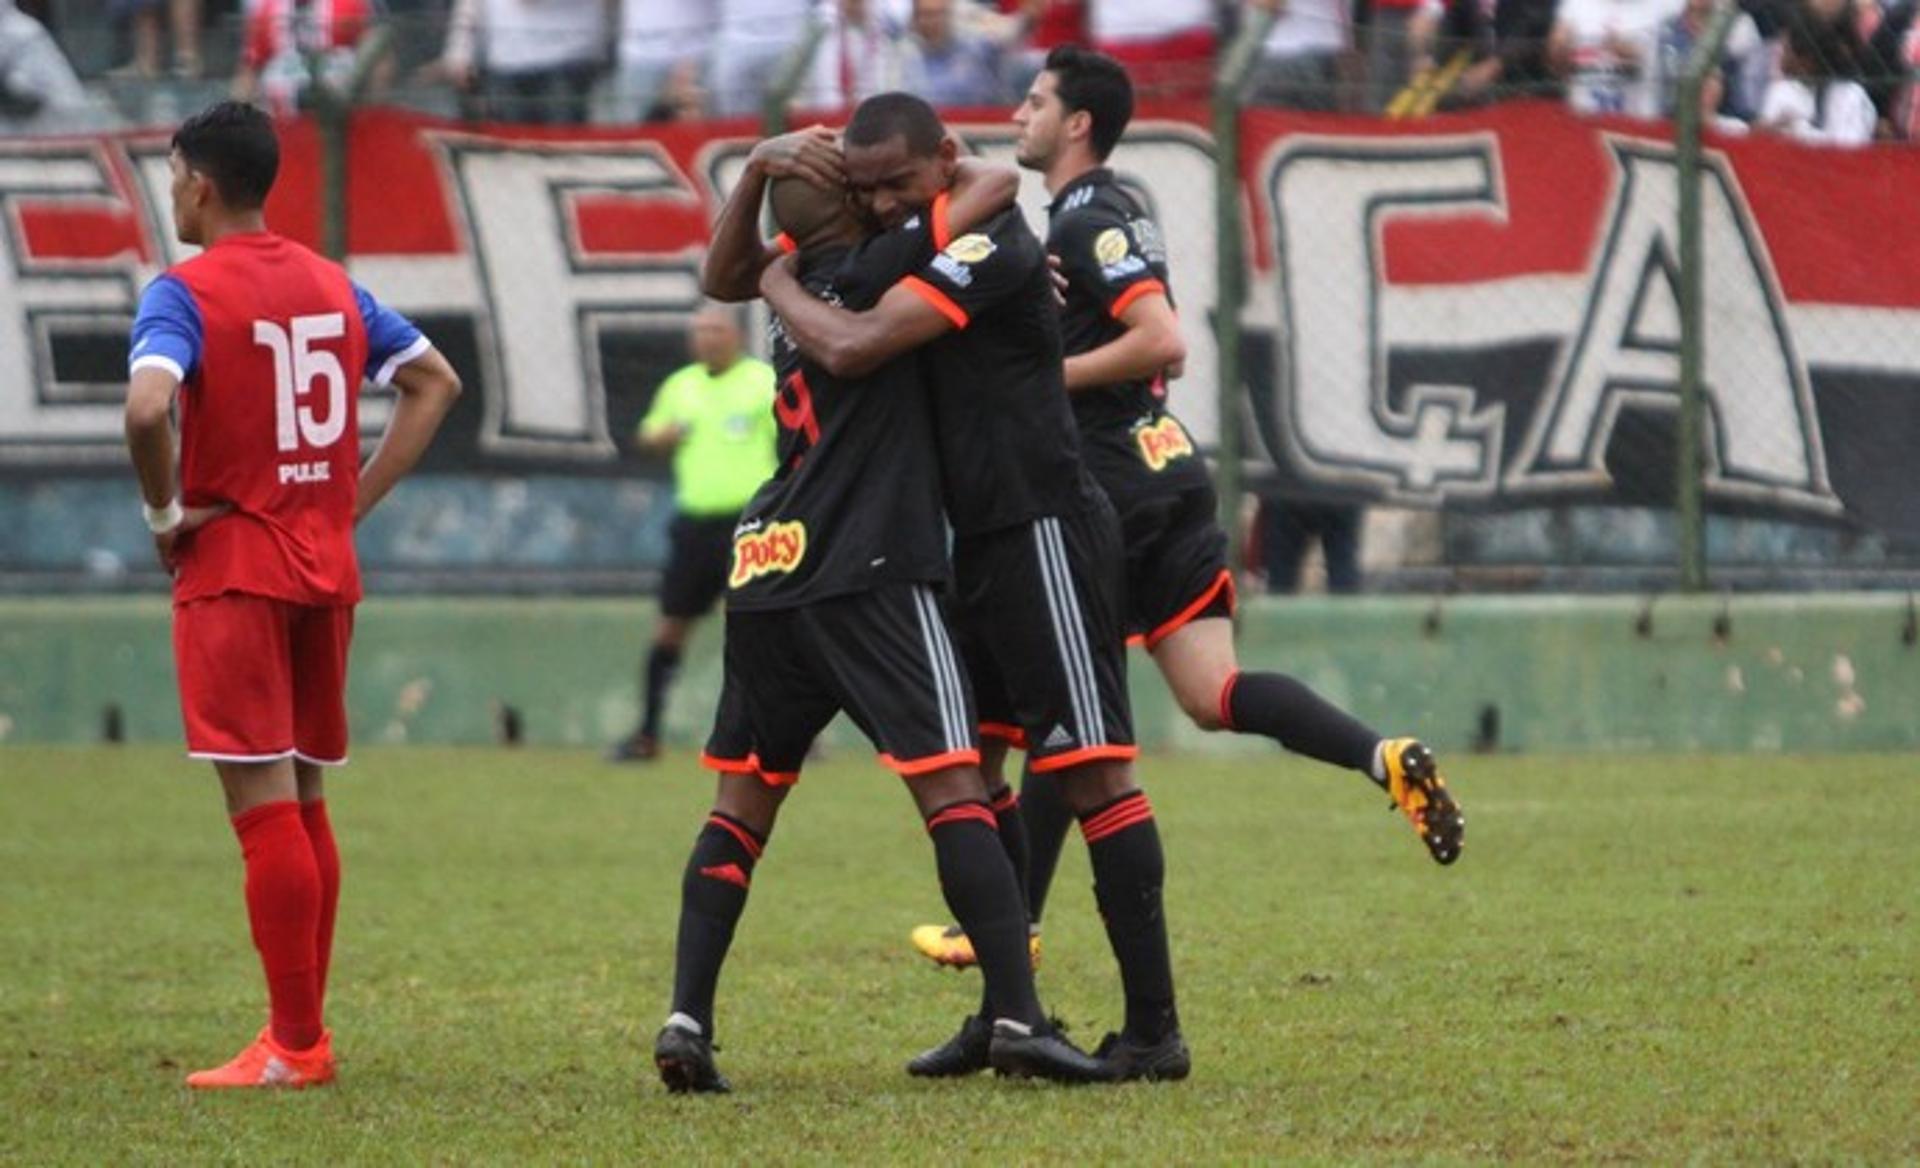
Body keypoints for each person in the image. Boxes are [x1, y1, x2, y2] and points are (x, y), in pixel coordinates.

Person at [906, 43, 1463, 984]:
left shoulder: (1088, 217)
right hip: (1166, 473)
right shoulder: (1105, 214)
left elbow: (1161, 340)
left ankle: (1011, 928)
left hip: (1107, 488)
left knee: (1062, 704)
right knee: (1214, 696)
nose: (1019, 117)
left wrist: (1039, 383)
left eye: (1035, 104)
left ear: (1078, 124)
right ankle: (1384, 757)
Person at [753, 92, 1188, 1082]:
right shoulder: (918, 230)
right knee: (982, 773)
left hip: (1041, 523)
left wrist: (777, 284)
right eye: (862, 191)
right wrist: (774, 207)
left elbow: (854, 341)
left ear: (944, 159)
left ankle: (1156, 1031)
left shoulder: (990, 242)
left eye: (897, 184)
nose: (878, 205)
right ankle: (1006, 1012)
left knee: (1093, 770)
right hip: (973, 544)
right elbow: (786, 264)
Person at [653, 167, 1109, 1094]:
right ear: (858, 210)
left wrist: (761, 171)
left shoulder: (786, 284)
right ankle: (1018, 1018)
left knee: (739, 811)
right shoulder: (878, 266)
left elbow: (726, 268)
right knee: (958, 793)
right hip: (869, 568)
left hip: (766, 564)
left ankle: (686, 1018)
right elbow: (990, 184)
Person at [123, 102, 461, 1089]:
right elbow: (434, 380)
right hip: (322, 566)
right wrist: (348, 501)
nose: (171, 189)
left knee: (261, 805)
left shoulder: (181, 293)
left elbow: (148, 405)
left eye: (174, 172)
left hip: (234, 565)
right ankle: (300, 1034)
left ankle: (296, 1043)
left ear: (201, 185)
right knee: (306, 796)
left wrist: (161, 515)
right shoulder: (329, 283)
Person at [609, 309, 778, 763]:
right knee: (670, 629)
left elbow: (792, 440)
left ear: (737, 337)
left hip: (751, 527)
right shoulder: (681, 386)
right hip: (695, 528)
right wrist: (662, 436)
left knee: (762, 631)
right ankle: (647, 734)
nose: (708, 340)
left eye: (716, 331)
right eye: (700, 333)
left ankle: (783, 738)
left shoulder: (761, 382)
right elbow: (648, 437)